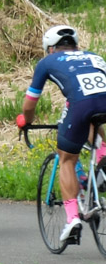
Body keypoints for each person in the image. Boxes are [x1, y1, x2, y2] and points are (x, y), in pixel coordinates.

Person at [16, 24, 106, 243]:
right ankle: (102, 155)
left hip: (81, 105)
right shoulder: (93, 56)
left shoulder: (47, 62)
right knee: (94, 116)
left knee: (66, 158)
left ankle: (73, 218)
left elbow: (30, 104)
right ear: (75, 45)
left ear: (50, 48)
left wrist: (25, 121)